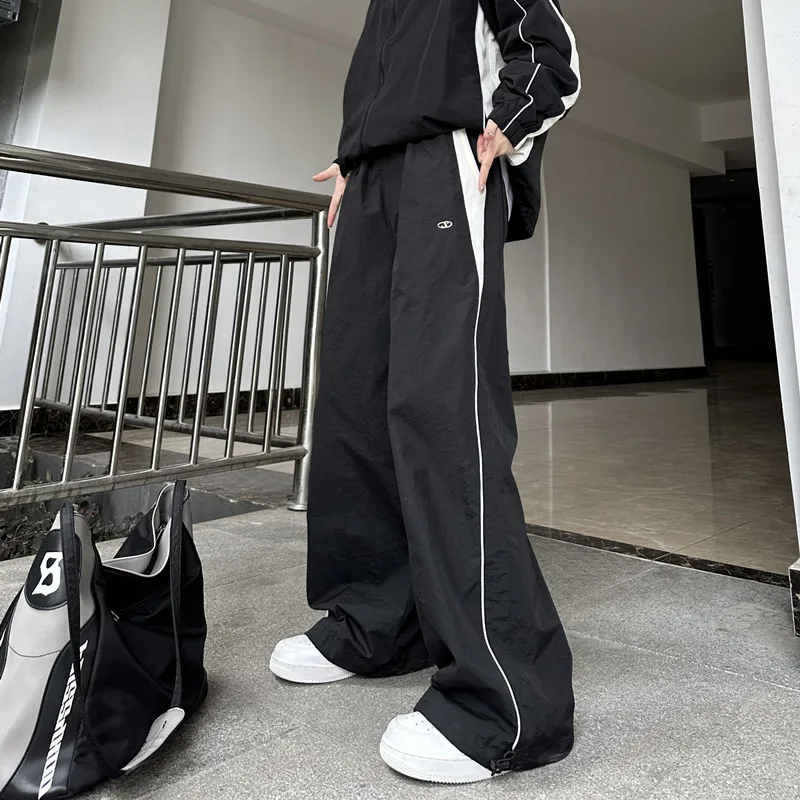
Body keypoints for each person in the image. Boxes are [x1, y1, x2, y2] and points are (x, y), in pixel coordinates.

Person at [270, 0, 581, 785]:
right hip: (374, 180)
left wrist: (508, 122)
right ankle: (377, 622)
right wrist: (355, 155)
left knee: (444, 411)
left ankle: (506, 701)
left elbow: (549, 52)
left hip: (449, 161)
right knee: (355, 404)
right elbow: (394, 75)